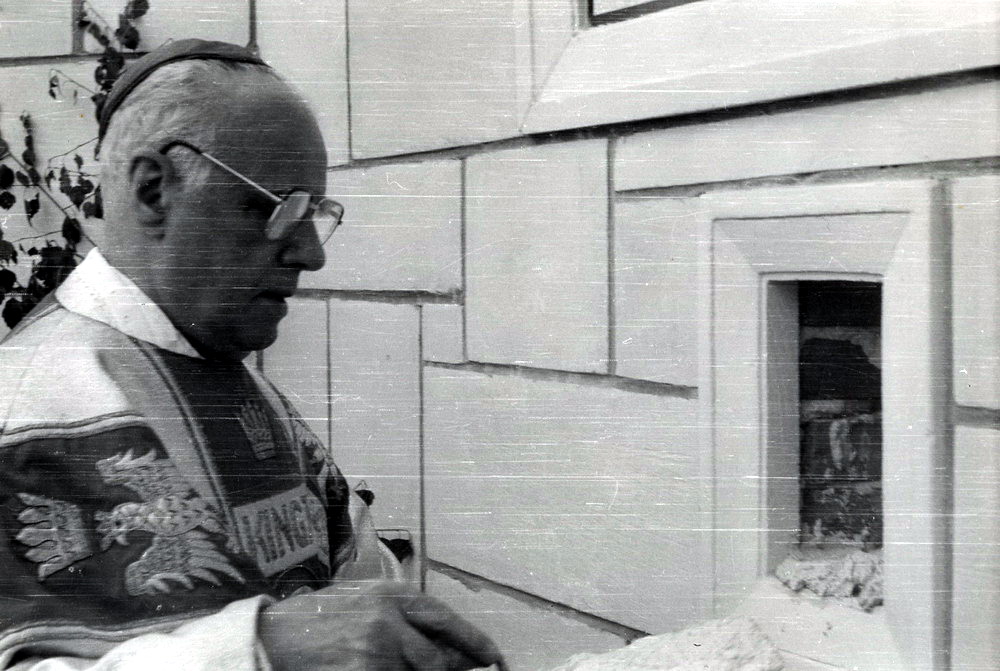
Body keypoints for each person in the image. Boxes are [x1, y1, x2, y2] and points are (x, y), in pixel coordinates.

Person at [0, 39, 505, 671]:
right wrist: (265, 649)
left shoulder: (246, 390)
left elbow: (362, 596)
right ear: (154, 191)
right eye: (277, 207)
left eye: (314, 213)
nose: (311, 253)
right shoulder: (22, 408)